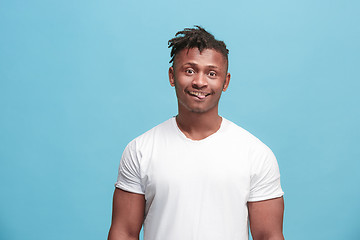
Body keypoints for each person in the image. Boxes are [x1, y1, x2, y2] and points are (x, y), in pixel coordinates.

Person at [108, 26, 284, 240]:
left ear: (225, 81)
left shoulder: (256, 154)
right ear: (172, 76)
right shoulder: (140, 150)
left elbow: (269, 235)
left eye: (211, 73)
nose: (200, 82)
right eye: (190, 70)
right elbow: (123, 233)